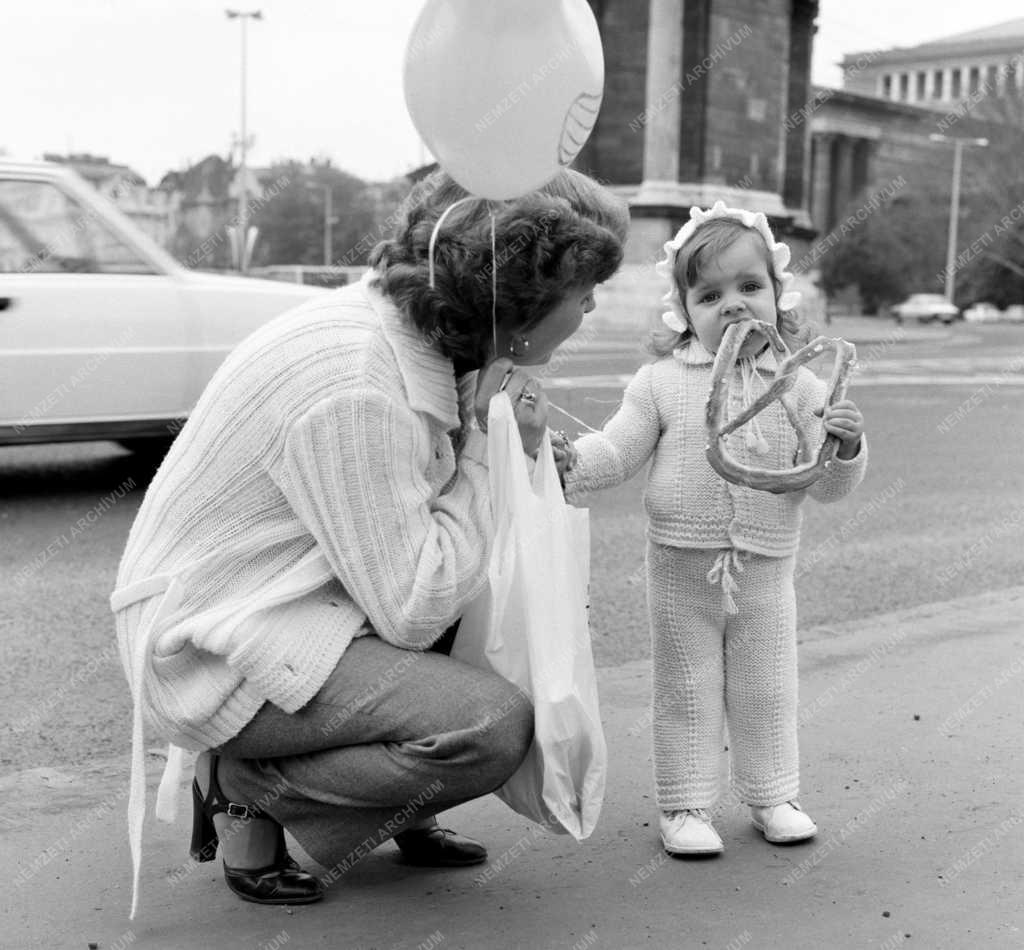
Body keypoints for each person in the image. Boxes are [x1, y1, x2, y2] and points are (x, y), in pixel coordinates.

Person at [110, 167, 629, 916]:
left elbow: (415, 525)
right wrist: (486, 444)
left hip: (294, 603)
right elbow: (413, 607)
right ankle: (243, 786)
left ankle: (398, 806)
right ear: (516, 308)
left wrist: (516, 450)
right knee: (487, 728)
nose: (590, 305)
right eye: (586, 291)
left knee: (466, 577)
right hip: (212, 648)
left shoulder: (428, 332)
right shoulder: (358, 385)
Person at [561, 202, 867, 856]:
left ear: (780, 297)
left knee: (766, 687)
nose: (732, 305)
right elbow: (617, 451)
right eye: (710, 294)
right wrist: (567, 466)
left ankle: (773, 795)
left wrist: (845, 447)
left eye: (749, 288)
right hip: (680, 569)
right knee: (687, 688)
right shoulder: (662, 383)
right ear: (683, 309)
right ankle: (685, 806)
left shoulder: (803, 386)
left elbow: (830, 487)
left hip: (765, 571)